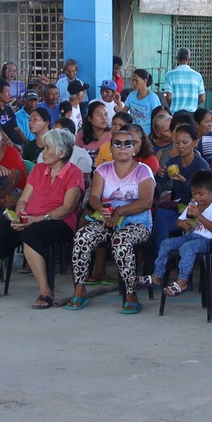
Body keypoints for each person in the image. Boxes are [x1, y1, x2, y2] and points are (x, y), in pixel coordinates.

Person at [0, 127, 86, 308]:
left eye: (48, 148)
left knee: (30, 234)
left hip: (59, 221)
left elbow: (67, 208)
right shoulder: (39, 169)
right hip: (30, 219)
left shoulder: (74, 173)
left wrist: (37, 219)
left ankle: (45, 292)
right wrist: (20, 216)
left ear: (61, 153)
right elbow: (23, 199)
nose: (43, 152)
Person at [65, 130, 156, 312]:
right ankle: (80, 288)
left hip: (136, 224)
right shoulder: (103, 169)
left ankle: (130, 293)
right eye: (117, 144)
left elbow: (146, 202)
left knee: (120, 241)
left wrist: (119, 212)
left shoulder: (143, 170)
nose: (123, 147)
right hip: (106, 221)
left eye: (128, 144)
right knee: (83, 236)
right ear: (111, 149)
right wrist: (103, 210)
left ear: (134, 149)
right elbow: (94, 197)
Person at [149, 169, 212, 298]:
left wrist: (199, 216)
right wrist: (182, 224)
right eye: (194, 193)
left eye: (201, 194)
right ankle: (157, 276)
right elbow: (178, 221)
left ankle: (183, 281)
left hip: (209, 241)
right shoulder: (193, 204)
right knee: (166, 243)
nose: (197, 197)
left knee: (187, 247)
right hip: (192, 236)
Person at [161, 49, 205, 113]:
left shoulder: (170, 75)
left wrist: (172, 106)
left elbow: (168, 97)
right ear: (189, 59)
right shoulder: (197, 76)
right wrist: (194, 104)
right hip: (192, 113)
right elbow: (202, 98)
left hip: (175, 113)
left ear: (176, 58)